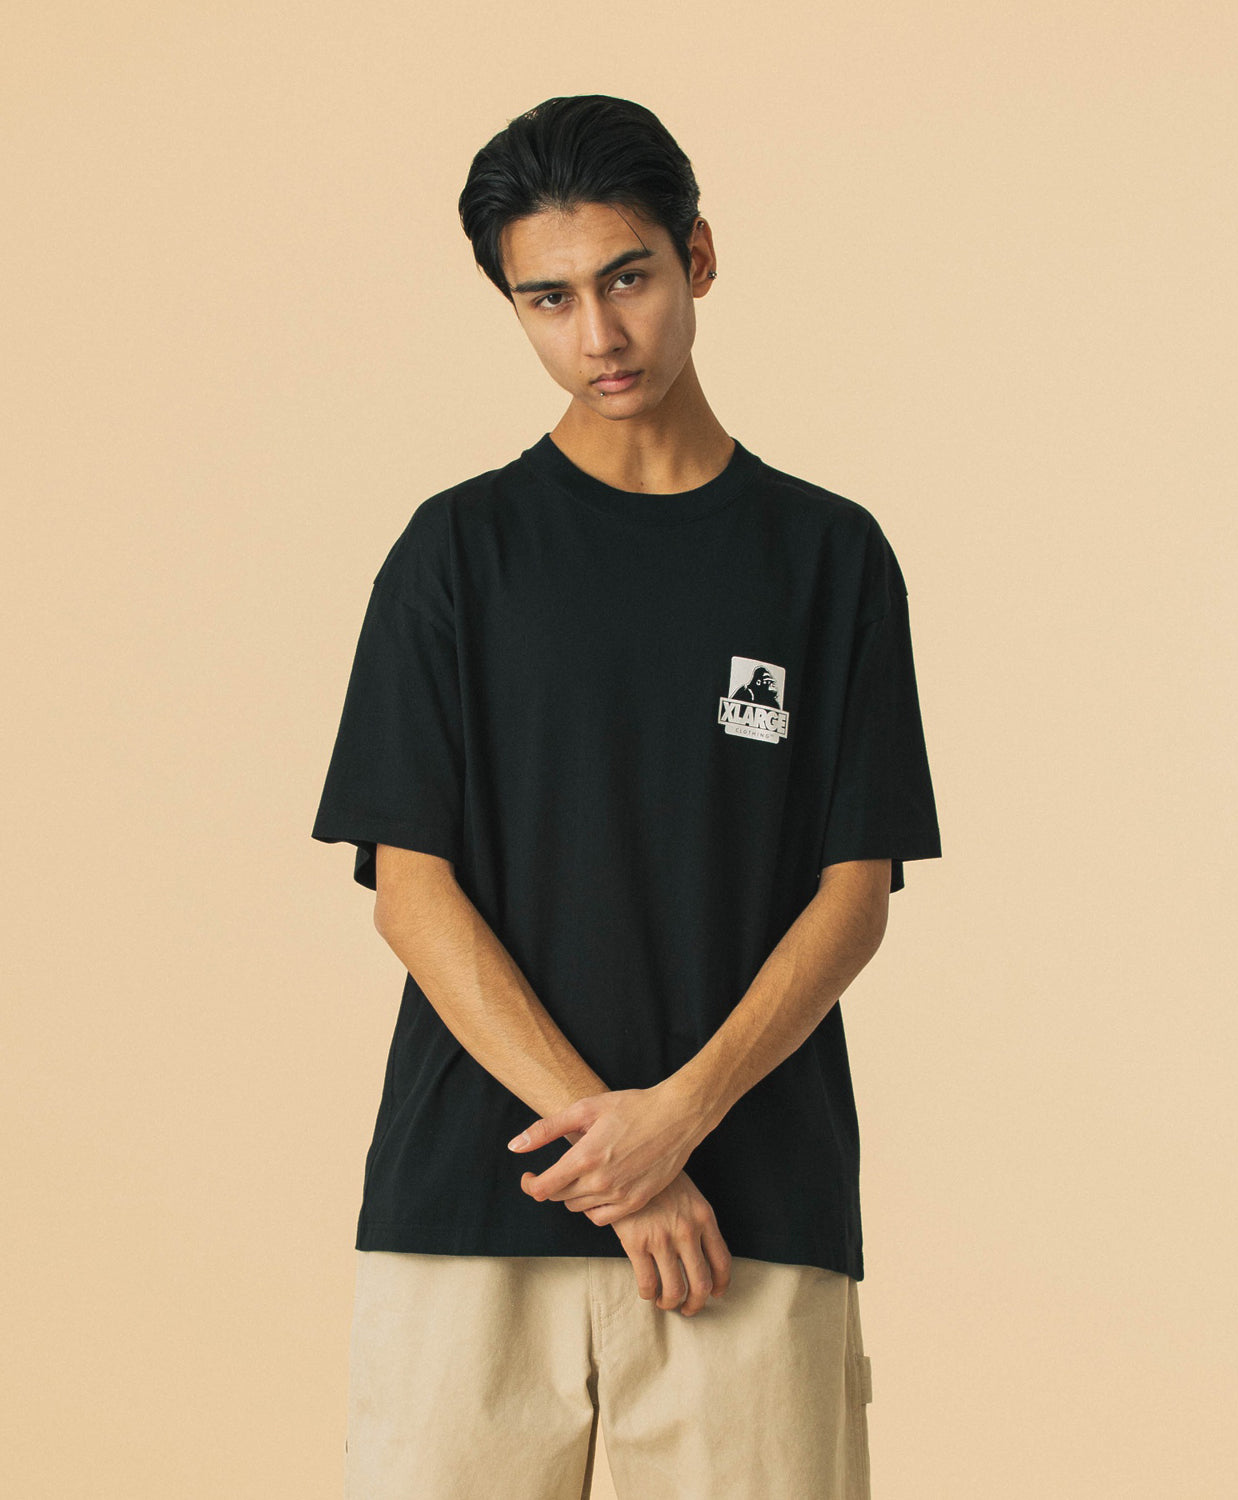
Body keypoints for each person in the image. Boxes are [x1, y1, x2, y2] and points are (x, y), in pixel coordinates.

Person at [311, 92, 941, 1500]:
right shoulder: (455, 554)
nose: (597, 334)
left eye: (627, 278)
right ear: (511, 306)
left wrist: (680, 1121)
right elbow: (411, 895)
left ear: (697, 257)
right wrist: (622, 1152)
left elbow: (854, 899)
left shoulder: (828, 559)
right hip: (473, 1209)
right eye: (547, 299)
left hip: (754, 1219)